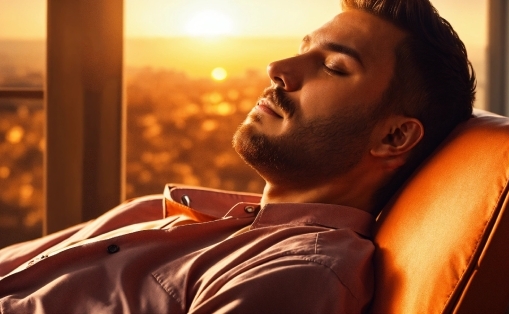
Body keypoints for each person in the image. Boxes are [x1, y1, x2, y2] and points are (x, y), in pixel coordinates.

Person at [0, 0, 475, 312]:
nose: (277, 69)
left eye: (332, 66)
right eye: (301, 50)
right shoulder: (180, 213)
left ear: (394, 137)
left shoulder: (301, 275)